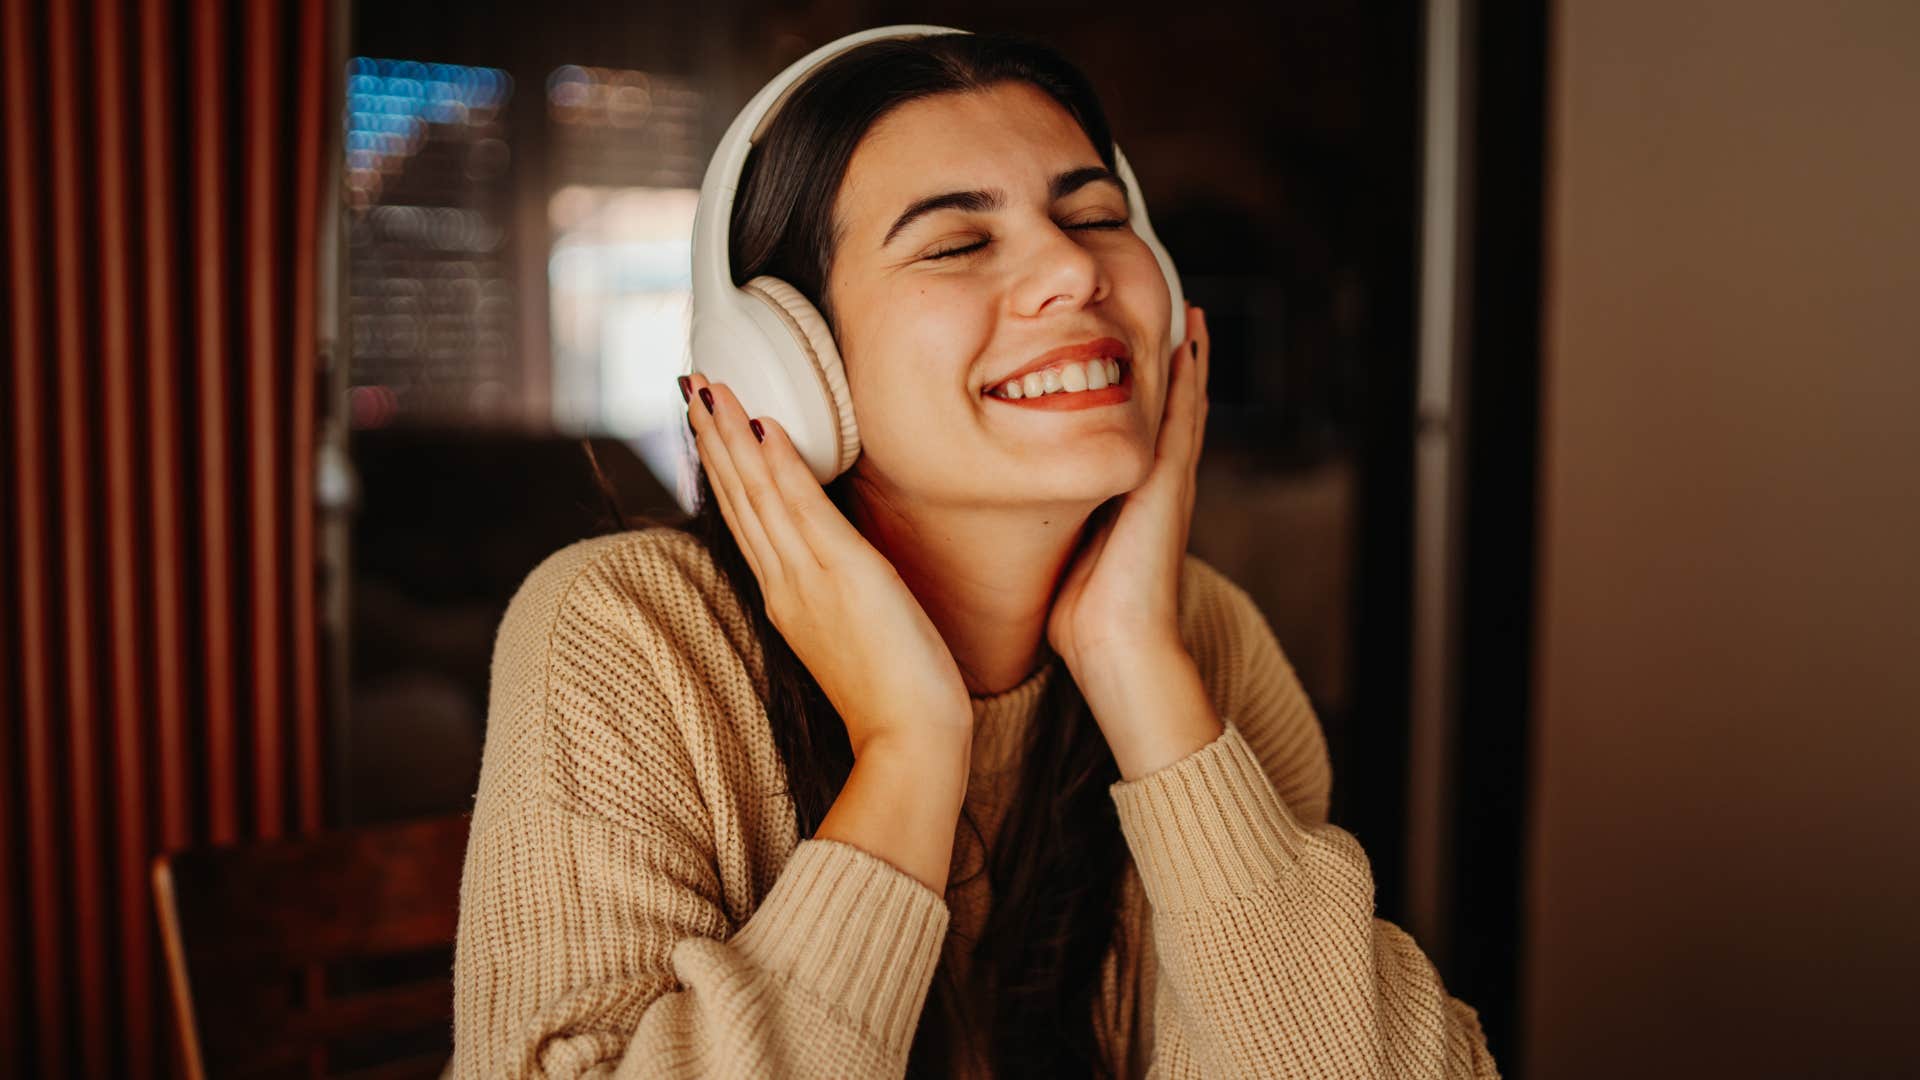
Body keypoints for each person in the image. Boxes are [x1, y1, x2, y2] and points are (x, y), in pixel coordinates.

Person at [450, 28, 1499, 1079]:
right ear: (786, 361)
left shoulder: (1205, 638)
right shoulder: (631, 630)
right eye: (956, 242)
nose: (1075, 268)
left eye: (1095, 216)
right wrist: (908, 750)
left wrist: (1140, 668)